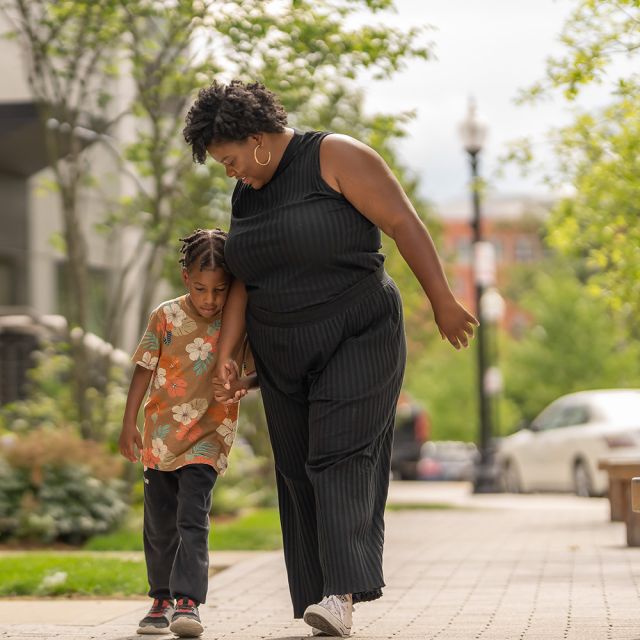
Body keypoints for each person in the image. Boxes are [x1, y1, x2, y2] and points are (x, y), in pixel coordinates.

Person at [183, 80, 478, 638]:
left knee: (337, 458)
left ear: (257, 139)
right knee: (297, 473)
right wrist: (227, 354)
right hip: (281, 353)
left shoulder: (336, 155)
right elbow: (246, 278)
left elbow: (402, 223)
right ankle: (321, 592)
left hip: (357, 333)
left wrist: (442, 300)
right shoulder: (248, 194)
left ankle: (339, 595)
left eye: (230, 159)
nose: (229, 173)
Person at [118, 228, 256, 637]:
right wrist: (128, 423)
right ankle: (160, 599)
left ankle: (188, 603)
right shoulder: (165, 316)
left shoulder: (238, 322)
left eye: (219, 290)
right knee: (159, 524)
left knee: (191, 518)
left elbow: (254, 373)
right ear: (185, 280)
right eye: (201, 288)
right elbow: (143, 367)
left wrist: (239, 385)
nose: (210, 299)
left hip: (209, 436)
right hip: (161, 436)